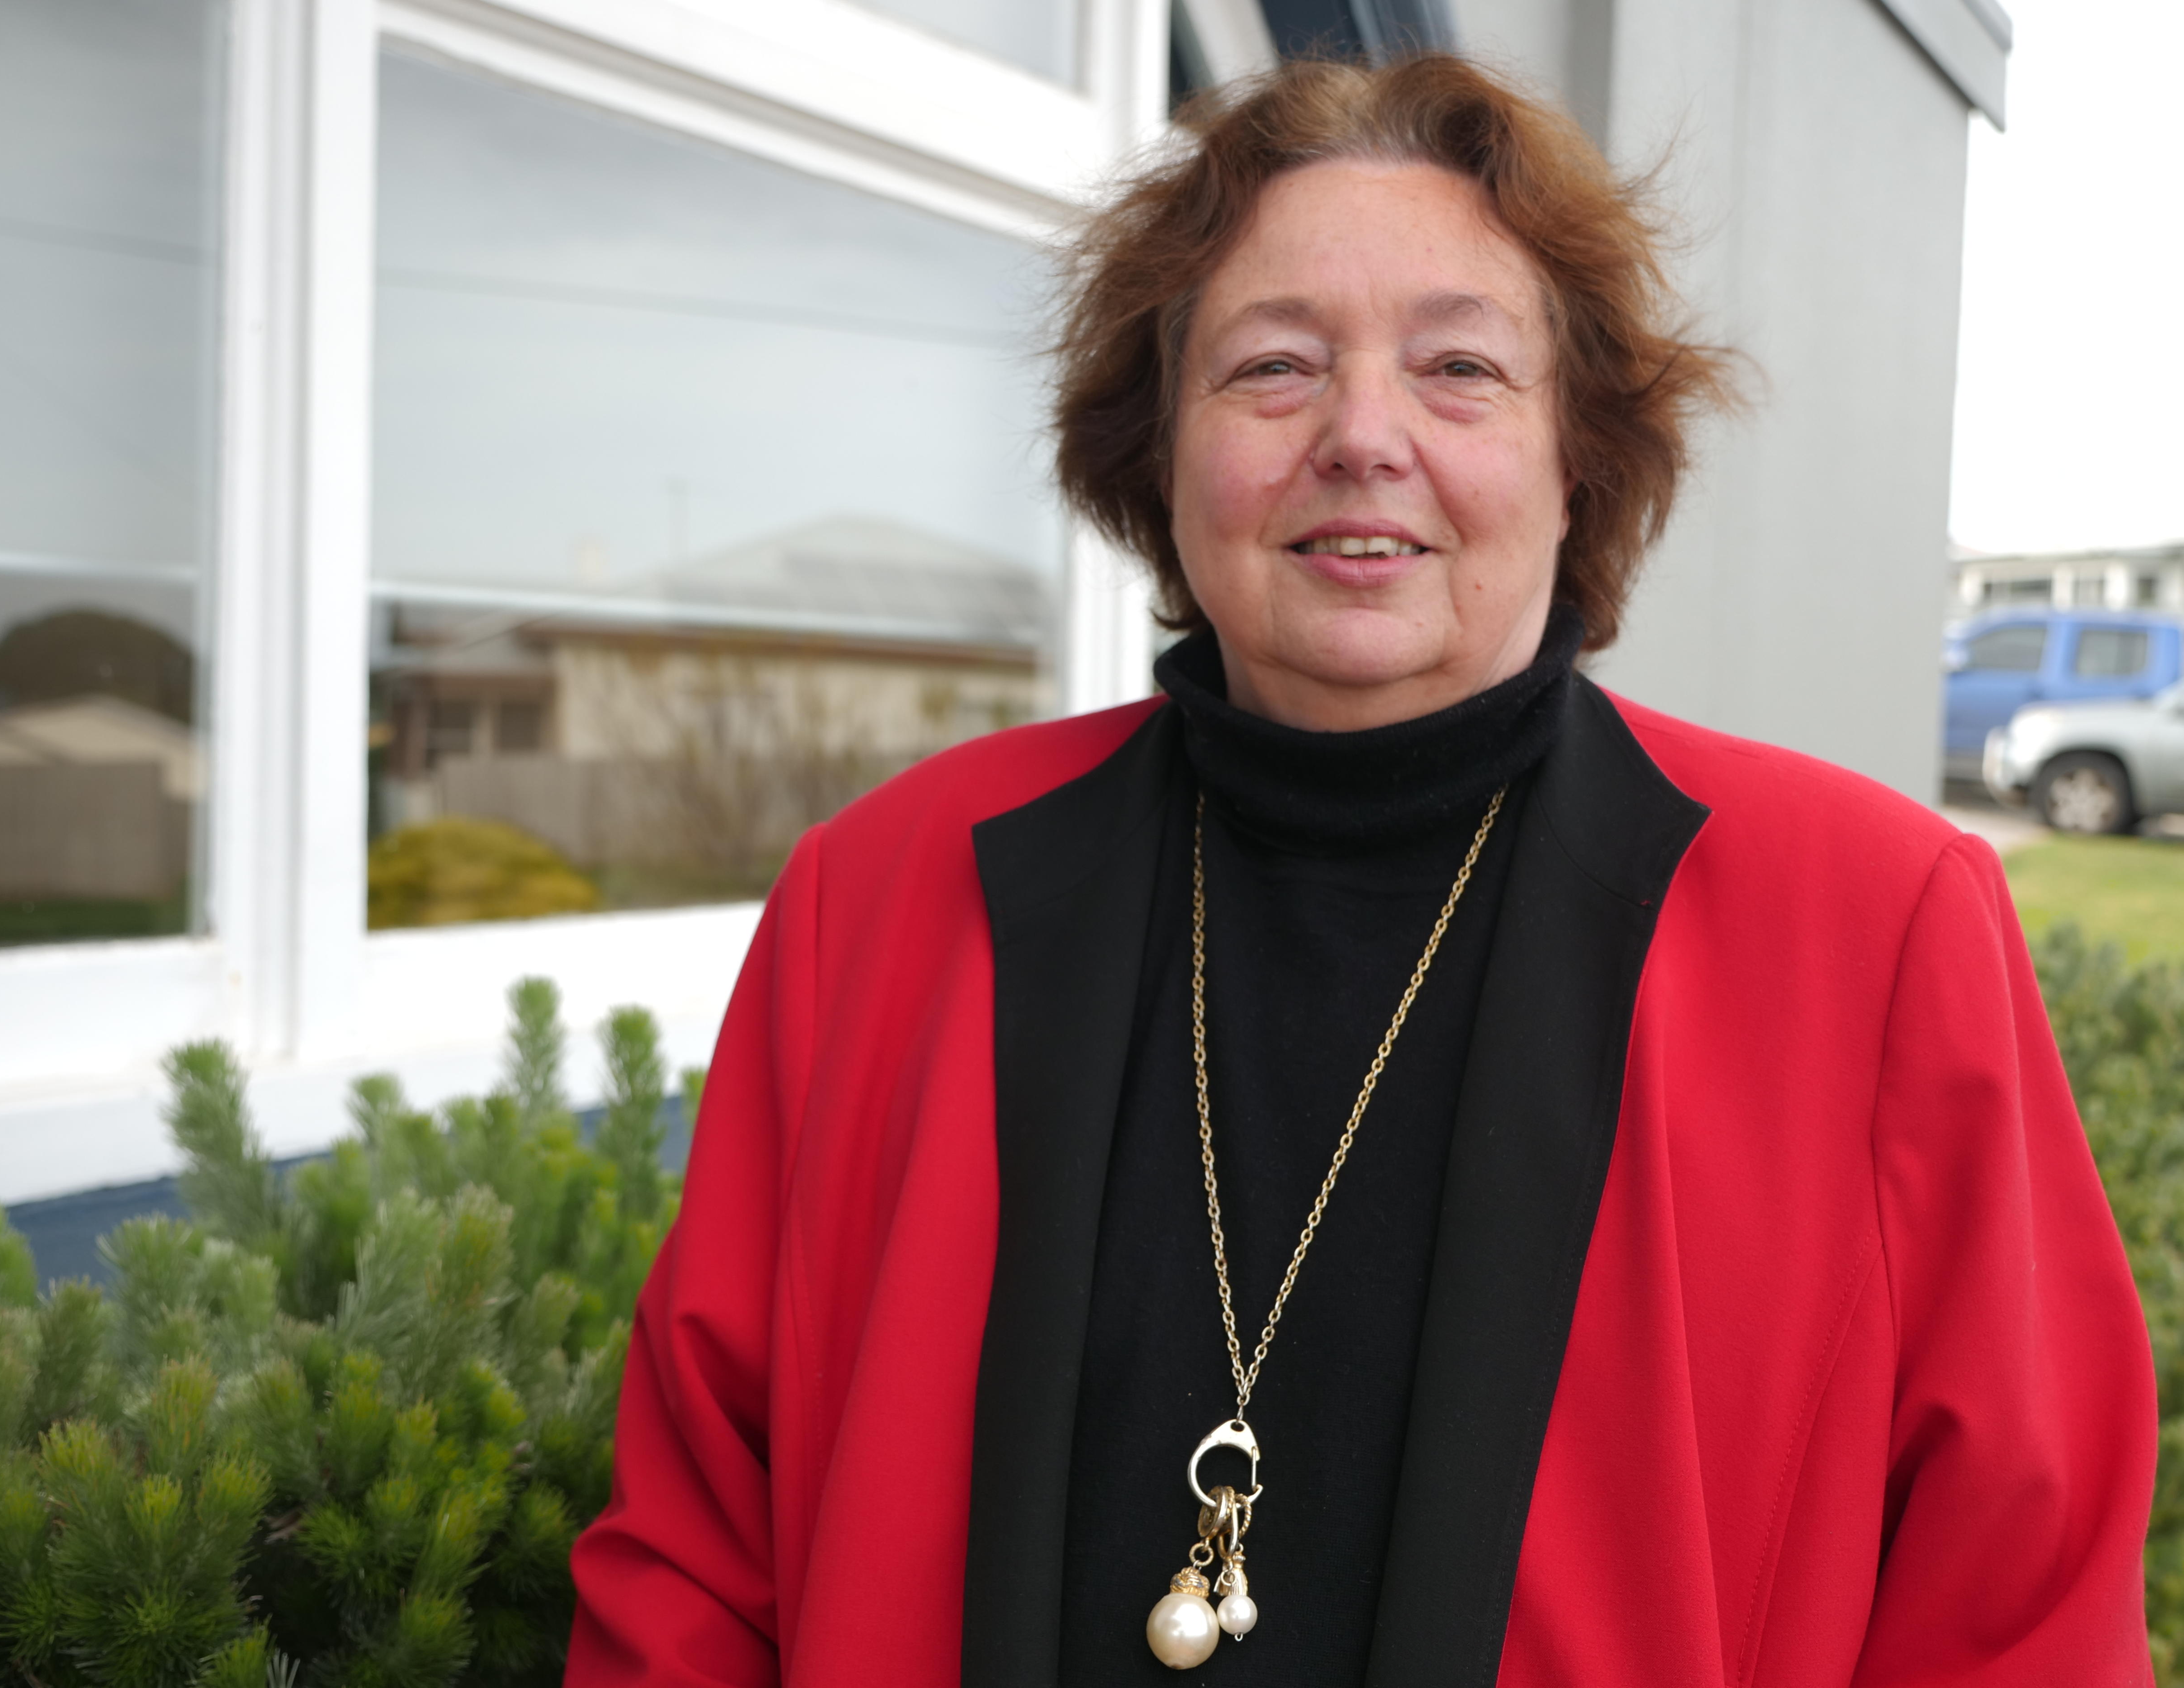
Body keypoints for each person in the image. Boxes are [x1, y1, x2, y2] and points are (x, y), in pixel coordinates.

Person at [565, 53, 2156, 1688]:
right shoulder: (882, 899)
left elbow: (2017, 1606)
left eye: (1460, 367)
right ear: (1161, 451)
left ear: (1577, 461)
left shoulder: (1873, 930)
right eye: (1272, 368)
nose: (1363, 436)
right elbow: (693, 1562)